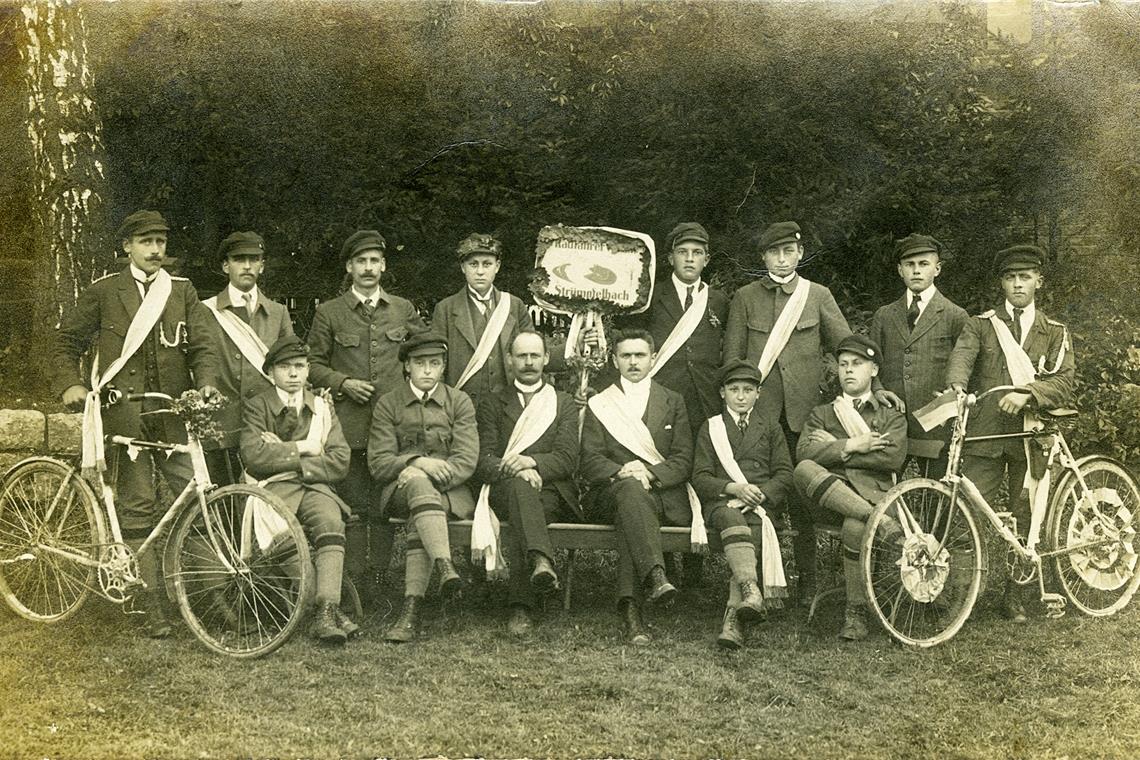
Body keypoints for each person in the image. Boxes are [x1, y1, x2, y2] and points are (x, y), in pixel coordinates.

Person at [50, 209, 220, 638]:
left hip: (170, 416)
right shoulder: (105, 291)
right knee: (139, 505)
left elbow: (202, 347)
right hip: (122, 414)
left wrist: (206, 386)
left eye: (161, 242)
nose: (155, 250)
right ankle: (150, 602)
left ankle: (212, 595)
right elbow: (65, 341)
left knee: (196, 498)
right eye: (146, 242)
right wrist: (70, 384)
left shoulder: (181, 291)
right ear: (127, 247)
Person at [722, 221, 860, 601]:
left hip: (804, 416)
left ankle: (807, 584)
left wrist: (870, 389)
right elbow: (733, 360)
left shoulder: (816, 295)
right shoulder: (745, 297)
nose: (782, 260)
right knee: (763, 498)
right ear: (763, 256)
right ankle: (761, 583)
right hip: (759, 416)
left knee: (803, 503)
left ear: (800, 254)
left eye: (789, 252)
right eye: (774, 252)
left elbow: (849, 351)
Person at [946, 244, 1074, 623]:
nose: (1017, 284)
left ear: (1039, 280)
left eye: (1025, 276)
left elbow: (1065, 381)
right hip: (986, 433)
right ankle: (960, 593)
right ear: (1001, 282)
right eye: (1010, 277)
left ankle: (1015, 595)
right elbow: (963, 357)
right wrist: (955, 385)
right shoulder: (981, 324)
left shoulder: (1054, 332)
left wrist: (1027, 393)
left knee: (1026, 512)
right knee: (965, 510)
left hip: (1030, 434)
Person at [307, 230, 426, 604]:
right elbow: (311, 364)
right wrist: (342, 383)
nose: (369, 268)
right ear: (350, 267)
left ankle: (381, 576)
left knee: (385, 504)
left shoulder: (403, 309)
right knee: (356, 503)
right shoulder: (330, 312)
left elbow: (426, 352)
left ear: (384, 266)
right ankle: (355, 580)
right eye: (362, 261)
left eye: (375, 261)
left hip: (394, 428)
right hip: (351, 426)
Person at [619, 222, 730, 590]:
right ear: (670, 258)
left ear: (707, 259)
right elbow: (631, 340)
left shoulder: (718, 301)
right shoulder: (652, 295)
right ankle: (663, 562)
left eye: (697, 253)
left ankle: (696, 567)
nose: (690, 259)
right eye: (683, 252)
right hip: (662, 401)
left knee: (698, 478)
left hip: (705, 401)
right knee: (661, 475)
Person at [580, 328, 703, 646]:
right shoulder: (599, 403)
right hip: (610, 492)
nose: (633, 362)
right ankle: (656, 576)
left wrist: (649, 473)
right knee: (631, 496)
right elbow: (590, 460)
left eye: (640, 355)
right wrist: (623, 472)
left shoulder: (672, 401)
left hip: (663, 493)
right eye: (626, 356)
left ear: (653, 358)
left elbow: (683, 458)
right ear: (615, 360)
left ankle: (632, 609)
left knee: (631, 511)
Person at [239, 335, 358, 644]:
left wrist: (286, 455)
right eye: (284, 367)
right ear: (270, 372)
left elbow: (340, 460)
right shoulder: (258, 405)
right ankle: (328, 611)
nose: (293, 374)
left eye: (300, 367)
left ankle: (325, 611)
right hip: (272, 488)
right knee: (281, 529)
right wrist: (305, 448)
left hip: (313, 486)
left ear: (308, 371)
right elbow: (254, 458)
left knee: (331, 521)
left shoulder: (321, 406)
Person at [793, 335, 907, 641]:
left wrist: (833, 448)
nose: (849, 370)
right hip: (832, 500)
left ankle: (855, 612)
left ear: (873, 370)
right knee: (804, 470)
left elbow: (892, 456)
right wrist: (855, 444)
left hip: (875, 494)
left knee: (855, 525)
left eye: (857, 364)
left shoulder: (889, 413)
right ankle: (879, 523)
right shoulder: (824, 412)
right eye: (843, 364)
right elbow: (804, 454)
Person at [368, 332, 479, 643]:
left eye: (435, 363)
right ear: (407, 368)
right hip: (399, 493)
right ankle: (444, 565)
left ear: (443, 366)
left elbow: (466, 459)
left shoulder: (459, 401)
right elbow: (379, 462)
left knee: (423, 505)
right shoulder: (389, 403)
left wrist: (422, 474)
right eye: (420, 363)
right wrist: (418, 463)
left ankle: (411, 610)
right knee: (418, 485)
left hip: (451, 494)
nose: (427, 370)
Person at [475, 331, 580, 635]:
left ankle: (521, 606)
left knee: (526, 510)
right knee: (522, 496)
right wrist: (516, 471)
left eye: (535, 355)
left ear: (547, 358)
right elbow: (483, 459)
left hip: (552, 491)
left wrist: (530, 462)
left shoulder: (563, 402)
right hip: (505, 488)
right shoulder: (493, 403)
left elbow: (567, 458)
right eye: (521, 356)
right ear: (509, 360)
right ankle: (541, 562)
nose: (529, 362)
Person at [692, 360, 794, 649]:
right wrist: (732, 488)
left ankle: (734, 619)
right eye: (733, 389)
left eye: (748, 389)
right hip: (722, 504)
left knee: (755, 526)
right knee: (733, 519)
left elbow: (785, 474)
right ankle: (751, 590)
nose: (740, 396)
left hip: (760, 505)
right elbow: (699, 476)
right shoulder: (710, 428)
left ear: (758, 393)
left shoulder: (770, 427)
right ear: (722, 392)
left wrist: (761, 493)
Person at [869, 234, 967, 477]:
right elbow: (869, 363)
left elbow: (965, 364)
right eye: (909, 265)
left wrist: (953, 396)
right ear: (900, 270)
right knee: (881, 490)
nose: (916, 271)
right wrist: (878, 388)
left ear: (937, 268)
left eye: (924, 264)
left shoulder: (955, 315)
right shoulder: (884, 315)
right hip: (892, 421)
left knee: (936, 495)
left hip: (936, 423)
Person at [202, 231, 295, 485]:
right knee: (224, 498)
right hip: (222, 419)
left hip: (265, 420)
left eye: (253, 259)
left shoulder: (278, 313)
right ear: (225, 265)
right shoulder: (207, 311)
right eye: (238, 259)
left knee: (269, 494)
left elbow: (290, 363)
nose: (246, 265)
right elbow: (201, 358)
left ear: (262, 266)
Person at [430, 233, 534, 411]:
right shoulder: (446, 309)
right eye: (473, 264)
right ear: (463, 267)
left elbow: (533, 353)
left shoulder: (514, 306)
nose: (480, 271)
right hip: (462, 407)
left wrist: (574, 345)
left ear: (497, 267)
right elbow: (435, 361)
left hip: (507, 407)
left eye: (487, 264)